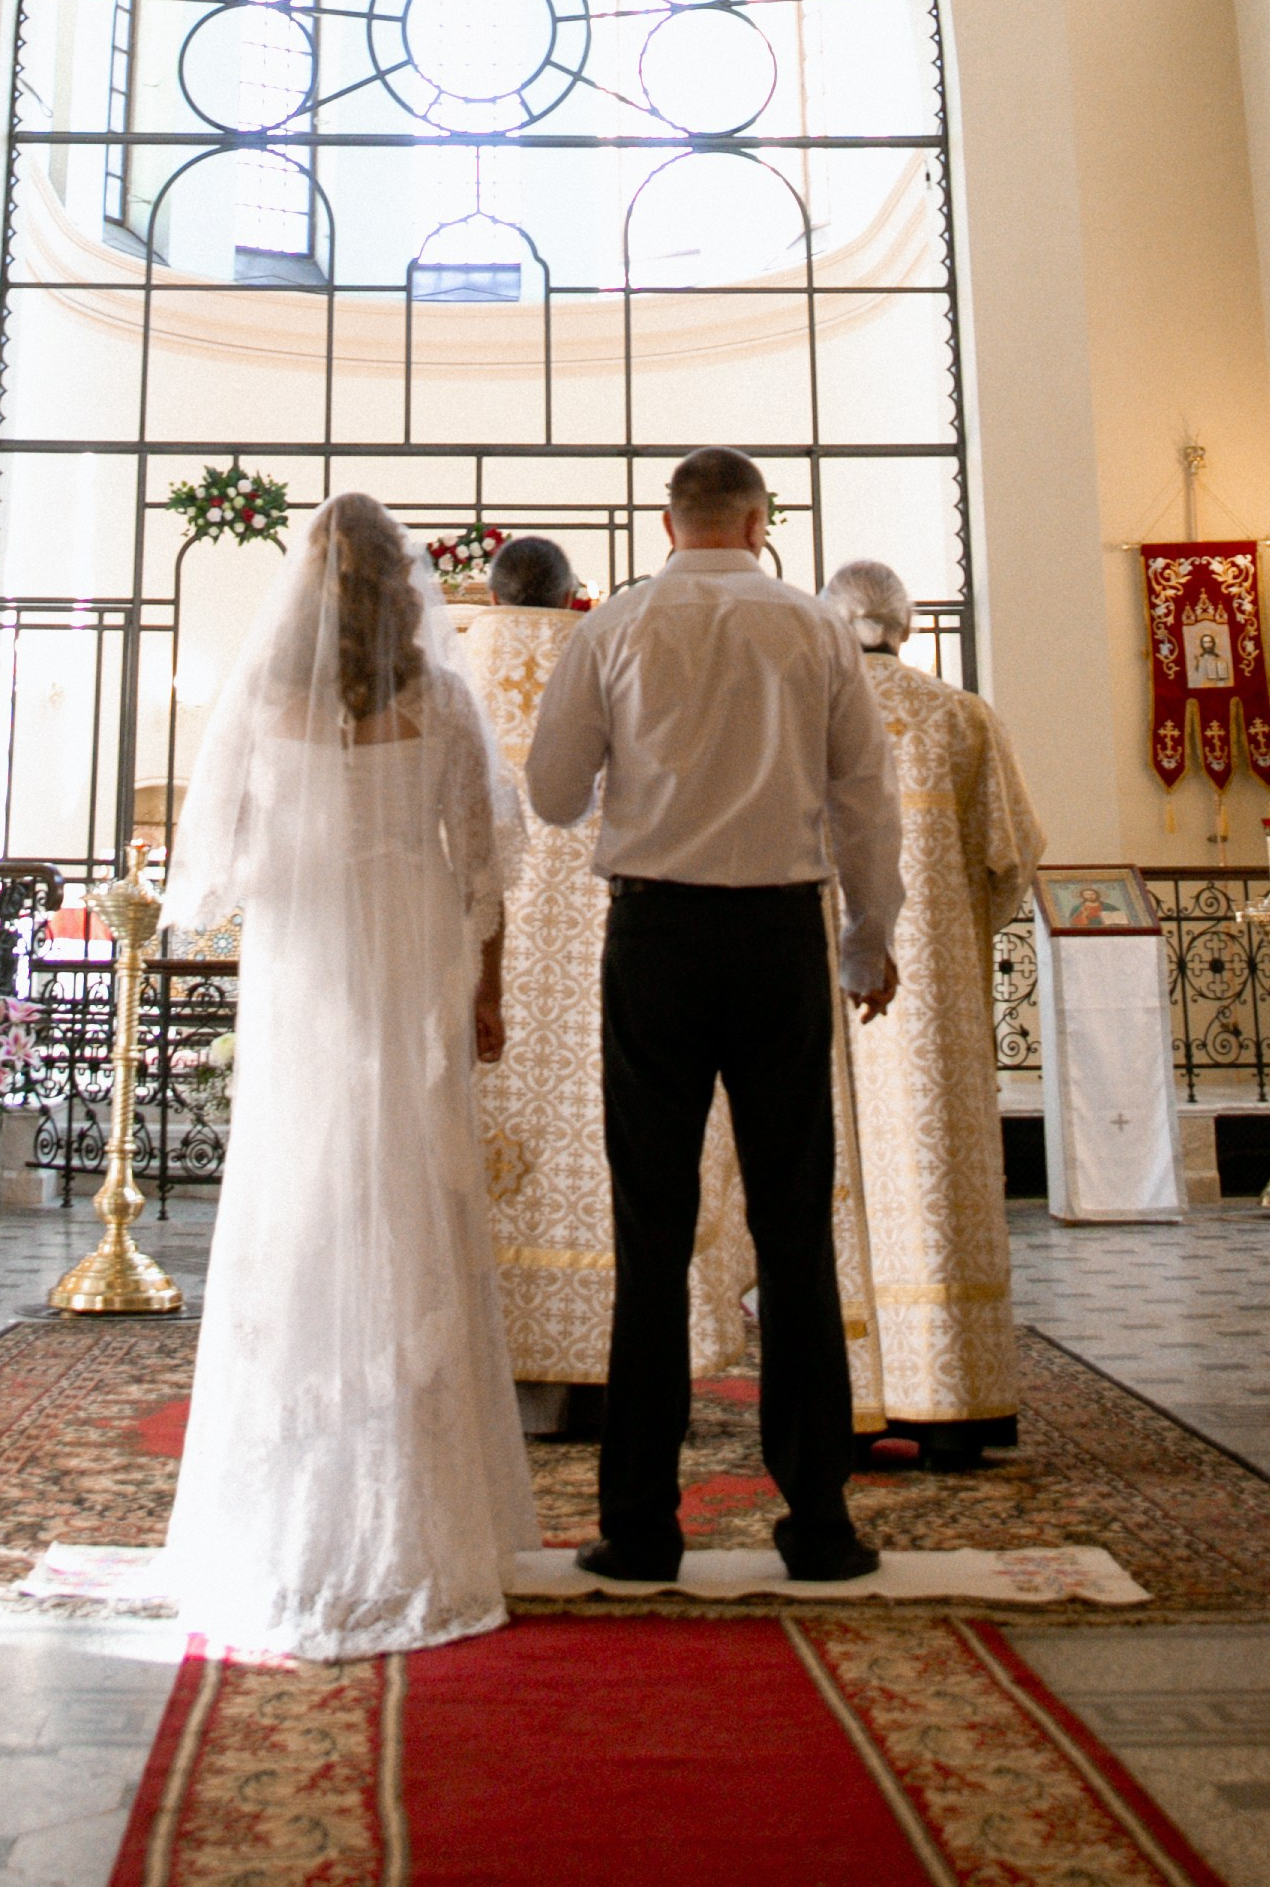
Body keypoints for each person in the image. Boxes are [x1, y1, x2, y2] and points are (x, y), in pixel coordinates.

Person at [157, 493, 536, 1656]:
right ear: (402, 586)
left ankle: (303, 1480)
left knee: (304, 1187)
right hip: (409, 946)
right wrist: (487, 989)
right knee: (408, 1183)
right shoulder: (435, 696)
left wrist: (281, 863)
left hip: (306, 955)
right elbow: (483, 862)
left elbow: (210, 867)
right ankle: (415, 1496)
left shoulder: (265, 698)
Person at [527, 446, 903, 1586]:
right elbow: (864, 800)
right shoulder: (814, 625)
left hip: (654, 939)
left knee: (651, 1234)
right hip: (780, 937)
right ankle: (820, 1527)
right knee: (794, 1230)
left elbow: (548, 795)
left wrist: (643, 772)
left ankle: (640, 1525)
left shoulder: (617, 627)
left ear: (666, 520)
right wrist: (867, 941)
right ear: (758, 521)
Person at [819, 559, 1043, 1467]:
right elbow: (1012, 855)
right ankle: (953, 1400)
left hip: (831, 983)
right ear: (905, 626)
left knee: (838, 1180)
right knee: (938, 1178)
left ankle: (851, 1403)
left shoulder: (810, 710)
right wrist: (956, 936)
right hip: (934, 997)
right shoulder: (961, 715)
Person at [458, 534, 608, 1436]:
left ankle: (476, 1373)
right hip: (590, 957)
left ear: (493, 591)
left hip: (482, 955)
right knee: (595, 1150)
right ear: (571, 595)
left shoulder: (452, 660)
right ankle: (595, 1373)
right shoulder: (599, 652)